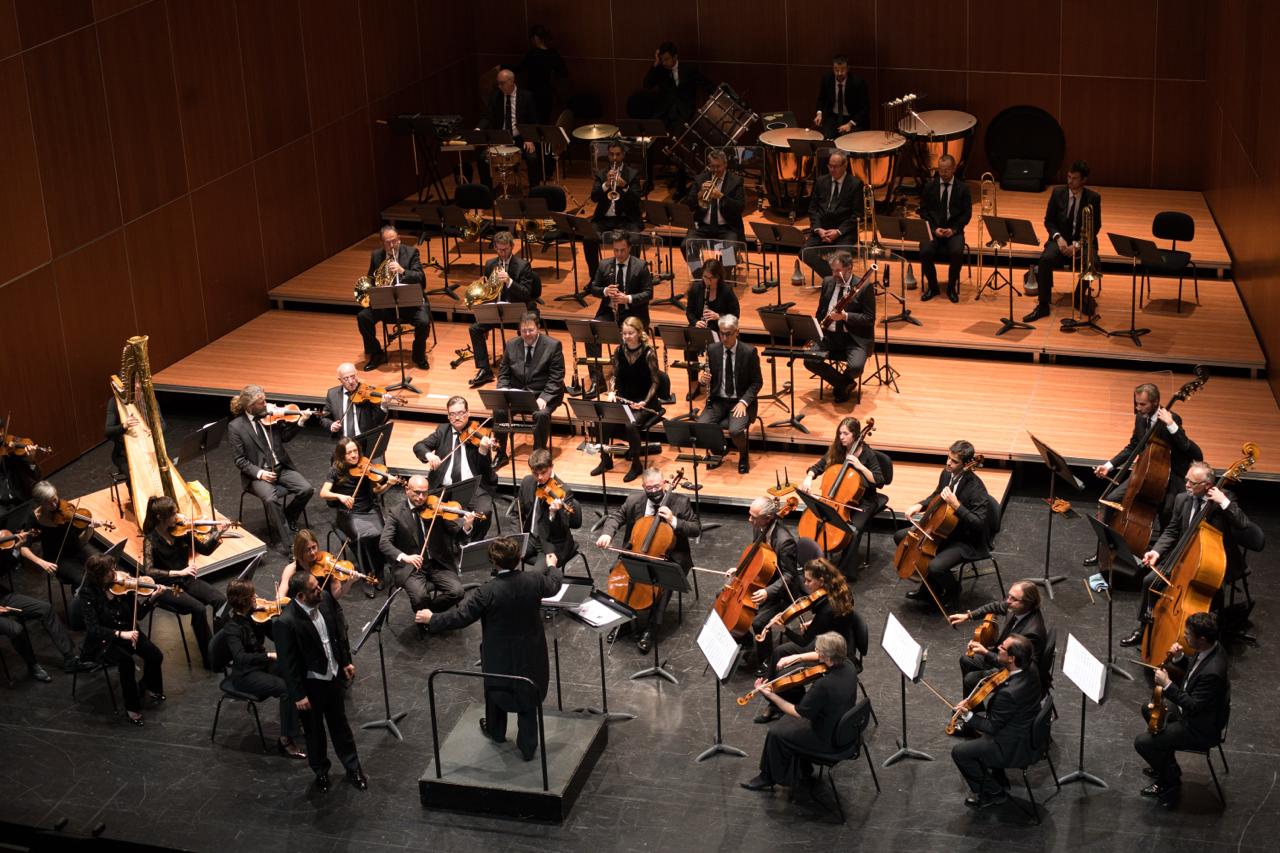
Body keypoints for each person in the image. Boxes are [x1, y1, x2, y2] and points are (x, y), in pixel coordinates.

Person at [416, 537, 561, 761]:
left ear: (493, 562)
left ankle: (496, 730)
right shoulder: (534, 581)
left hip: (498, 654)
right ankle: (528, 746)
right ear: (520, 558)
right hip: (530, 653)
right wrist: (552, 567)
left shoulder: (487, 592)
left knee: (495, 690)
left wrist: (432, 618)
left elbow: (460, 617)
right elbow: (554, 585)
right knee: (528, 698)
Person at [1123, 461, 1260, 648]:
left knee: (1211, 598)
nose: (1186, 485)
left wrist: (1224, 503)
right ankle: (1143, 627)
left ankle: (1207, 641)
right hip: (1184, 556)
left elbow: (1244, 525)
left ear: (1207, 486)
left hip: (1213, 562)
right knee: (1150, 581)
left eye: (1192, 483)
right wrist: (1156, 551)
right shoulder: (1182, 499)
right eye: (1187, 480)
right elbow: (1172, 530)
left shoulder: (1225, 498)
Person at [1085, 381, 1200, 571]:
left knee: (1167, 513)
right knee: (1110, 501)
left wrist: (1171, 424)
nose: (1138, 408)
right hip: (1147, 472)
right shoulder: (1141, 418)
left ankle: (1164, 564)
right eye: (1137, 403)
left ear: (1155, 402)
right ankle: (1104, 551)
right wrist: (1109, 465)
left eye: (1143, 404)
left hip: (1171, 476)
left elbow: (1185, 447)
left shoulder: (1173, 419)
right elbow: (1133, 446)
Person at [274, 570, 366, 793]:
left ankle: (353, 768)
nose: (320, 590)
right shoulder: (286, 622)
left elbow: (335, 636)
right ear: (301, 596)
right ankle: (321, 772)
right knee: (314, 733)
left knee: (341, 727)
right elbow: (288, 663)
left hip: (332, 677)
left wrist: (344, 662)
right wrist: (298, 695)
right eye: (314, 588)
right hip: (311, 685)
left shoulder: (323, 601)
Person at [595, 466, 701, 653]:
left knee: (665, 582)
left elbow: (696, 529)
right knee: (618, 571)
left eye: (656, 487)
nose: (653, 491)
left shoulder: (681, 502)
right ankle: (625, 620)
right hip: (637, 550)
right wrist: (607, 534)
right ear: (643, 486)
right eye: (648, 488)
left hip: (670, 555)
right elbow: (615, 517)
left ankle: (651, 628)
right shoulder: (634, 500)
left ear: (665, 484)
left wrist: (673, 520)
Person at [740, 632, 859, 794]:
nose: (816, 652)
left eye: (818, 651)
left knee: (775, 732)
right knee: (788, 726)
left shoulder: (824, 685)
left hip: (827, 739)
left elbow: (797, 712)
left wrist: (771, 695)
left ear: (827, 657)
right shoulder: (849, 666)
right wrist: (798, 658)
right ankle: (803, 768)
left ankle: (767, 777)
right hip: (845, 730)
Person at [1134, 612, 1230, 808]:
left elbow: (1193, 706)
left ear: (1202, 639)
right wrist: (1179, 658)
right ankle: (1165, 764)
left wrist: (1168, 685)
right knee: (1149, 709)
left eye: (1188, 634)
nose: (1184, 636)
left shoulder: (1214, 670)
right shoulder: (1211, 649)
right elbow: (1194, 674)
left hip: (1199, 728)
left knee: (1143, 743)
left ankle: (1170, 782)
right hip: (1193, 714)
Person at [752, 558, 855, 724]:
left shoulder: (827, 609)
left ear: (821, 581)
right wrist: (813, 624)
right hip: (830, 638)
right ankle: (773, 702)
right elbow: (832, 621)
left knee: (785, 673)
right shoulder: (839, 590)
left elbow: (803, 641)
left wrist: (784, 630)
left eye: (809, 580)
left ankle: (785, 699)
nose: (805, 584)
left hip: (835, 652)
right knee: (779, 652)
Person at [950, 634, 1042, 809]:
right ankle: (997, 777)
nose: (998, 646)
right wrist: (987, 653)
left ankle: (994, 793)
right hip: (1027, 730)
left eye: (1002, 648)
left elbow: (991, 727)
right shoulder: (1031, 667)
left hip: (1012, 746)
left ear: (1012, 658)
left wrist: (968, 715)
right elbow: (1004, 664)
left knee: (960, 753)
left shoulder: (1008, 694)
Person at [895, 440, 990, 605]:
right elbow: (936, 495)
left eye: (954, 461)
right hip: (943, 531)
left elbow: (979, 524)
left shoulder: (976, 489)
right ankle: (931, 589)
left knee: (935, 566)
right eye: (948, 458)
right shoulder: (947, 474)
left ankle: (954, 590)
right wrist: (920, 505)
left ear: (967, 464)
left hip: (966, 539)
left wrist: (957, 505)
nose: (948, 463)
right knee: (901, 537)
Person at [218, 578, 305, 759]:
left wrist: (280, 621)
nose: (256, 597)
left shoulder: (257, 616)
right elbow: (241, 658)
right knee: (286, 689)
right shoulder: (231, 628)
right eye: (252, 595)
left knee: (295, 671)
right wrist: (268, 656)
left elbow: (275, 636)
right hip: (245, 674)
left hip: (262, 666)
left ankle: (298, 719)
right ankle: (285, 739)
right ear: (243, 600)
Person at [141, 495, 227, 670]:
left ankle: (218, 646)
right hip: (166, 587)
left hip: (186, 580)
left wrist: (218, 533)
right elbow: (149, 571)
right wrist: (178, 572)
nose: (178, 516)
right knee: (199, 608)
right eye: (173, 514)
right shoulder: (150, 540)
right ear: (160, 517)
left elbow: (205, 549)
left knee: (221, 600)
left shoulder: (181, 531)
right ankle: (209, 658)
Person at [77, 554, 165, 726]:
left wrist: (153, 598)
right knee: (127, 663)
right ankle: (132, 708)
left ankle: (146, 685)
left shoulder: (123, 587)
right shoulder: (87, 593)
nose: (115, 573)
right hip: (105, 640)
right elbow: (94, 629)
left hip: (129, 632)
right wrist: (119, 634)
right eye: (110, 571)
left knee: (156, 655)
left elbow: (138, 614)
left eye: (113, 568)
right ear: (99, 576)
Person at [227, 385, 314, 556]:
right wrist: (260, 473)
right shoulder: (236, 427)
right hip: (258, 475)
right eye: (261, 403)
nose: (266, 405)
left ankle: (287, 518)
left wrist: (301, 421)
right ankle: (290, 545)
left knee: (306, 489)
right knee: (270, 499)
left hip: (281, 468)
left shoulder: (270, 417)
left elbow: (285, 437)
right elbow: (240, 460)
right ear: (250, 407)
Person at [799, 416, 885, 578]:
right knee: (817, 518)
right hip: (836, 497)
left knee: (853, 531)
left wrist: (860, 466)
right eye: (840, 433)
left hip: (863, 500)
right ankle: (812, 562)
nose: (841, 437)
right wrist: (809, 477)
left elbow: (880, 481)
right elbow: (819, 466)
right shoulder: (837, 449)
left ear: (856, 435)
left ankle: (843, 571)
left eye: (845, 434)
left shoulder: (867, 454)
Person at [379, 475, 471, 624]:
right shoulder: (396, 513)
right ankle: (426, 619)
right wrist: (405, 557)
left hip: (437, 563)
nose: (421, 497)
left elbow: (455, 534)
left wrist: (466, 526)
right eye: (417, 492)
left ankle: (428, 615)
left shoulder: (436, 508)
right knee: (420, 597)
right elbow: (384, 543)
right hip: (411, 568)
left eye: (425, 493)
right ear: (407, 490)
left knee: (458, 592)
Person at [0, 525, 86, 682]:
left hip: (2, 596)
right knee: (16, 629)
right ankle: (32, 665)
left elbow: (4, 567)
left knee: (45, 609)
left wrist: (16, 548)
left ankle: (70, 658)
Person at [948, 580, 1048, 710]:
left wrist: (986, 653)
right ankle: (974, 708)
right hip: (1004, 656)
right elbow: (995, 606)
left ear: (1027, 603)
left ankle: (971, 713)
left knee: (970, 680)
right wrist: (968, 616)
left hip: (1015, 674)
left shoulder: (1031, 633)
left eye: (1014, 599)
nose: (1008, 601)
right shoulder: (1017, 607)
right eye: (1009, 596)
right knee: (966, 659)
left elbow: (1020, 667)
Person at [723, 497, 798, 668]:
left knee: (759, 622)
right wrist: (739, 569)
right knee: (723, 597)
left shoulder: (785, 541)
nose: (749, 520)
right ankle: (746, 640)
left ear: (769, 517)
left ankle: (767, 661)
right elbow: (756, 555)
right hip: (761, 581)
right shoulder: (759, 528)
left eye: (754, 517)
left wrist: (768, 591)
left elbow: (789, 575)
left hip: (782, 592)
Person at [1024, 160, 1102, 323]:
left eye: (1074, 178)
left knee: (1093, 261)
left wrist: (1078, 245)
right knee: (1045, 259)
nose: (1070, 181)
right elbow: (1049, 221)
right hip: (1060, 241)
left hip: (1083, 242)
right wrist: (1058, 238)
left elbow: (1095, 227)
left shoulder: (1093, 198)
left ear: (1083, 180)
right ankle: (1043, 304)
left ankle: (1079, 298)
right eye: (1068, 176)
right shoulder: (1057, 193)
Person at [413, 395, 500, 539]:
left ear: (468, 413)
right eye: (452, 414)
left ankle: (473, 542)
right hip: (444, 487)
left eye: (460, 413)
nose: (457, 417)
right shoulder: (442, 431)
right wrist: (429, 455)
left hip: (473, 487)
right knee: (430, 510)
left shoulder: (479, 433)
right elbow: (419, 446)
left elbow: (483, 469)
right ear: (448, 416)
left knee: (484, 512)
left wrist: (484, 451)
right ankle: (447, 543)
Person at [319, 437, 392, 598]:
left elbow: (376, 491)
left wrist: (388, 484)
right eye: (349, 453)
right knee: (361, 537)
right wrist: (340, 497)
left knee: (381, 534)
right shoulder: (335, 470)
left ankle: (379, 572)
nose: (354, 455)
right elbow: (323, 493)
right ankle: (368, 576)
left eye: (355, 451)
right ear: (342, 455)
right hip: (349, 513)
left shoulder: (367, 467)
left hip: (370, 509)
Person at [467, 231, 540, 388]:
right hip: (497, 311)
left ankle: (523, 370)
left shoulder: (523, 265)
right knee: (475, 328)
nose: (502, 253)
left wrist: (509, 281)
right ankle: (484, 369)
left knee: (526, 329)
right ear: (495, 248)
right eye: (499, 249)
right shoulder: (490, 264)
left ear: (512, 247)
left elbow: (527, 294)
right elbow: (488, 292)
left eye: (505, 249)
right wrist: (482, 312)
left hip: (519, 311)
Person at [585, 232, 654, 396]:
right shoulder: (604, 265)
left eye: (622, 250)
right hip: (610, 312)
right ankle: (598, 380)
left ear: (629, 248)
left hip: (633, 314)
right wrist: (605, 291)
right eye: (616, 250)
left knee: (629, 334)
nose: (619, 254)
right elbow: (593, 288)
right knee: (591, 333)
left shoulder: (640, 266)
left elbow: (648, 293)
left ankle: (630, 380)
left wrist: (628, 298)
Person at [598, 317, 665, 482]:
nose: (627, 336)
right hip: (624, 399)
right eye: (624, 333)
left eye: (630, 333)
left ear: (639, 333)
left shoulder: (649, 353)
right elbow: (615, 375)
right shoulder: (619, 351)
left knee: (630, 423)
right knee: (603, 420)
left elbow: (656, 382)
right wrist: (612, 391)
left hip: (645, 402)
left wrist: (644, 402)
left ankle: (636, 465)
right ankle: (605, 460)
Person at [803, 250, 874, 404]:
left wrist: (845, 316)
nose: (834, 274)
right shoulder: (828, 282)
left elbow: (869, 318)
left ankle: (842, 384)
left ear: (849, 268)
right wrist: (814, 333)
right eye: (833, 270)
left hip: (853, 337)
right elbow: (821, 310)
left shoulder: (864, 287)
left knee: (855, 367)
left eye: (838, 270)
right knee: (809, 359)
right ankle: (843, 384)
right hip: (829, 335)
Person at [355, 225, 430, 371]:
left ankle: (418, 355)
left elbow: (421, 279)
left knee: (423, 321)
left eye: (394, 241)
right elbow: (371, 279)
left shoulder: (411, 252)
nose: (391, 245)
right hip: (387, 304)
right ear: (382, 243)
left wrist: (403, 271)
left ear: (399, 240)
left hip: (410, 304)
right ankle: (377, 354)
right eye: (387, 242)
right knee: (363, 317)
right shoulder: (376, 255)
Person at [697, 314, 761, 474]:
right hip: (718, 400)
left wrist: (744, 402)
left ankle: (744, 455)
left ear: (737, 332)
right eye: (721, 333)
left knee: (735, 431)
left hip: (739, 401)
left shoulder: (749, 352)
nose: (724, 337)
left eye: (728, 334)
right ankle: (719, 451)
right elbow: (707, 377)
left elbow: (757, 382)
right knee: (701, 425)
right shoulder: (712, 350)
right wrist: (702, 379)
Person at [495, 312, 566, 455]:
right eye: (524, 331)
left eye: (531, 330)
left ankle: (538, 455)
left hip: (543, 394)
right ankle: (500, 453)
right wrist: (503, 391)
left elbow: (556, 377)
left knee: (541, 415)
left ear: (538, 328)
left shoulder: (553, 346)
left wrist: (544, 398)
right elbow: (504, 373)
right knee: (499, 410)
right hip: (519, 395)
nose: (527, 334)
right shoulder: (511, 344)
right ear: (519, 331)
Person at [17, 480, 96, 588]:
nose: (54, 505)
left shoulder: (64, 507)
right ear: (40, 503)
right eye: (48, 503)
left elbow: (79, 535)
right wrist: (42, 562)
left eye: (55, 499)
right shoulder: (34, 518)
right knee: (83, 580)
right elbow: (23, 549)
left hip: (77, 548)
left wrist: (89, 528)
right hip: (58, 558)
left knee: (102, 566)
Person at [682, 257, 739, 400]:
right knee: (688, 347)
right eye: (705, 277)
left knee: (718, 349)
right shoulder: (696, 288)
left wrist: (718, 316)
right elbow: (689, 312)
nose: (707, 281)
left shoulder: (726, 291)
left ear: (718, 277)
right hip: (701, 328)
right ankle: (694, 383)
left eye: (711, 278)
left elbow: (735, 315)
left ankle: (717, 382)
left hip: (720, 331)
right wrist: (695, 322)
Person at [918, 154, 973, 303]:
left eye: (947, 170)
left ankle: (951, 287)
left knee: (956, 252)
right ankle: (933, 286)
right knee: (924, 251)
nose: (943, 173)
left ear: (954, 169)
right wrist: (934, 228)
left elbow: (967, 214)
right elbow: (923, 211)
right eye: (941, 170)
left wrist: (954, 230)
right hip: (934, 230)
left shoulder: (963, 188)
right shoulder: (930, 186)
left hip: (953, 230)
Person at [586, 141, 643, 278]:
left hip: (626, 219)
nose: (615, 158)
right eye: (611, 155)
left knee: (634, 239)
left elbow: (636, 199)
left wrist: (624, 186)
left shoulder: (632, 174)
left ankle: (631, 278)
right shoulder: (601, 174)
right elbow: (594, 197)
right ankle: (594, 278)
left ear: (623, 155)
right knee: (588, 239)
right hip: (604, 219)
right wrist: (606, 184)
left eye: (618, 154)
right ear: (608, 156)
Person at [516, 449, 581, 568]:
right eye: (535, 473)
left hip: (552, 542)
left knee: (537, 576)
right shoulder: (527, 482)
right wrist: (518, 536)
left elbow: (563, 528)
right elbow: (516, 513)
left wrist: (553, 514)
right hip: (530, 537)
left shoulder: (565, 491)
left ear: (551, 467)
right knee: (503, 558)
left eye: (543, 472)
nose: (539, 477)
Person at [802, 152, 861, 278]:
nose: (832, 169)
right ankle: (835, 278)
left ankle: (838, 278)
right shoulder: (821, 181)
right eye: (830, 166)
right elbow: (813, 209)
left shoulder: (855, 184)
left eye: (836, 166)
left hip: (843, 233)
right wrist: (818, 229)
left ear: (845, 165)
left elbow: (857, 214)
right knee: (804, 253)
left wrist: (838, 232)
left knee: (841, 259)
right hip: (822, 231)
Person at [477, 69, 542, 184]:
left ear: (511, 81)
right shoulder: (495, 96)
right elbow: (487, 117)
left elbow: (534, 121)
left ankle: (535, 193)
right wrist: (478, 129)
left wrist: (529, 138)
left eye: (502, 83)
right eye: (498, 83)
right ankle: (487, 193)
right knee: (482, 158)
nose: (500, 86)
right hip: (501, 138)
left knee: (532, 158)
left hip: (521, 139)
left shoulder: (526, 97)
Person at [683, 149, 746, 248]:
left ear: (725, 164)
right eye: (712, 166)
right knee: (686, 246)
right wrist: (700, 194)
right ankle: (699, 264)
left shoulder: (736, 181)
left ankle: (725, 263)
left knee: (728, 253)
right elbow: (688, 205)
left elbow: (740, 207)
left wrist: (721, 196)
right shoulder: (700, 179)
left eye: (718, 166)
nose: (715, 170)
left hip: (727, 227)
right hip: (702, 226)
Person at [643, 41, 710, 132]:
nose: (664, 63)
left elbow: (707, 85)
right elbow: (647, 84)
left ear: (675, 56)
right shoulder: (660, 71)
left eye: (666, 59)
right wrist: (656, 63)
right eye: (662, 60)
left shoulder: (688, 70)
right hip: (665, 114)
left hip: (685, 114)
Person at [318, 362, 390, 442]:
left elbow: (378, 420)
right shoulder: (332, 394)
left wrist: (384, 405)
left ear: (357, 374)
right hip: (343, 442)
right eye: (346, 378)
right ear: (340, 380)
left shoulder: (368, 392)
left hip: (366, 440)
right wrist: (331, 425)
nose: (351, 381)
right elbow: (324, 417)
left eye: (353, 376)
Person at [514, 24, 568, 124]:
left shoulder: (532, 54)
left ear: (536, 38)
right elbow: (563, 72)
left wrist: (502, 67)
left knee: (534, 121)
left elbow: (519, 68)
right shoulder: (553, 53)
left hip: (533, 93)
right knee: (546, 121)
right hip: (548, 93)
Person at [813, 55, 869, 139]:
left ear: (848, 69)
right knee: (825, 137)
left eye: (843, 69)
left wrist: (850, 124)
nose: (839, 73)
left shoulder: (858, 82)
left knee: (848, 140)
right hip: (833, 117)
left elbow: (865, 108)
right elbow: (821, 99)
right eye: (836, 70)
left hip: (852, 118)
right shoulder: (827, 79)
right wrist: (819, 114)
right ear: (833, 68)